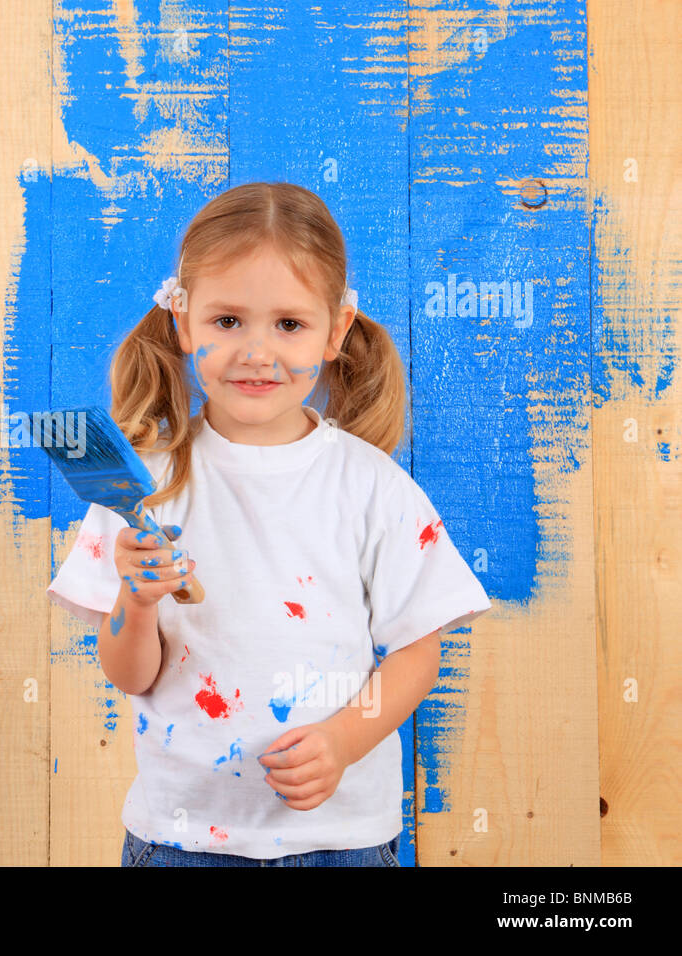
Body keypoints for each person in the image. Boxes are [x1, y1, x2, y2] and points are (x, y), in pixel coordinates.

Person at [45, 182, 491, 867]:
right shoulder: (142, 492)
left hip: (340, 840)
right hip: (180, 839)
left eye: (288, 324)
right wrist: (135, 602)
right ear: (184, 321)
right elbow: (129, 674)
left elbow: (416, 656)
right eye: (228, 322)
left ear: (336, 330)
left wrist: (343, 741)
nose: (257, 351)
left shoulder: (372, 487)